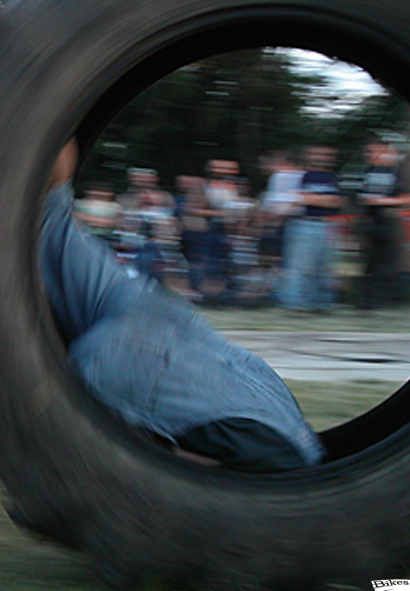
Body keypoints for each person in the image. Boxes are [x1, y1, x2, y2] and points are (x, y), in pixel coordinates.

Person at [41, 143, 324, 470]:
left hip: (155, 327)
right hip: (256, 408)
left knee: (51, 213)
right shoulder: (289, 468)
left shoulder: (47, 232)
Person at [355, 140, 410, 309]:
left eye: (376, 151)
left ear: (387, 151)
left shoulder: (399, 171)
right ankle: (367, 302)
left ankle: (393, 301)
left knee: (390, 263)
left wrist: (385, 201)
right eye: (369, 152)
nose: (372, 156)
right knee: (369, 263)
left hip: (390, 220)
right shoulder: (366, 171)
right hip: (370, 221)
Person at [278, 145, 344, 312]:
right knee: (300, 267)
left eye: (326, 154)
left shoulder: (334, 177)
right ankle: (295, 305)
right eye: (317, 153)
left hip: (328, 225)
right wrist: (324, 199)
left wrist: (310, 198)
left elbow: (339, 202)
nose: (321, 157)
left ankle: (320, 305)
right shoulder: (299, 176)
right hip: (304, 224)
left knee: (323, 268)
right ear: (308, 155)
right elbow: (294, 199)